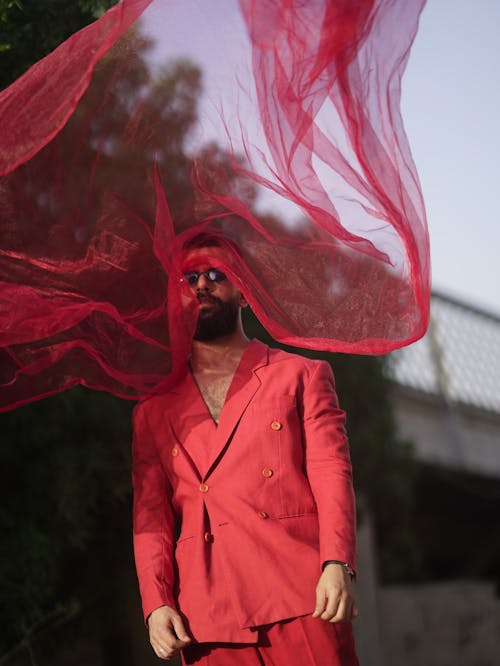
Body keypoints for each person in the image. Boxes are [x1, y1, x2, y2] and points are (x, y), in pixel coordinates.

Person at [132, 236, 359, 665]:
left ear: (245, 295)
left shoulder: (301, 375)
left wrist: (337, 563)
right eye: (189, 278)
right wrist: (156, 603)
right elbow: (150, 516)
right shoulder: (151, 410)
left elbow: (332, 473)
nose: (201, 285)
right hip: (206, 615)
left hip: (303, 597)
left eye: (217, 276)